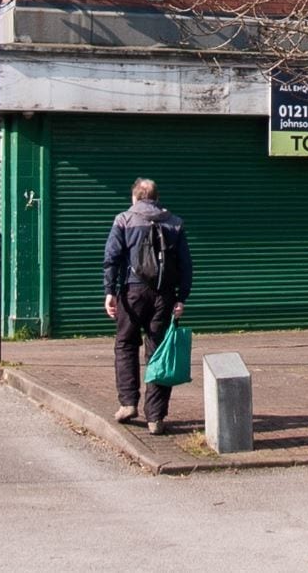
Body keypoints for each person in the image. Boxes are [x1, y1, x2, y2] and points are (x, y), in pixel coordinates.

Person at [102, 177, 193, 434]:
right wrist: (181, 297)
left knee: (126, 344)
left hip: (132, 292)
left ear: (136, 198)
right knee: (158, 351)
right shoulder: (174, 223)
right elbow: (186, 265)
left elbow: (112, 257)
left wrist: (110, 291)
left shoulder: (124, 220)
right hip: (163, 295)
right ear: (156, 198)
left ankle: (128, 402)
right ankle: (156, 417)